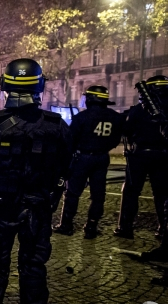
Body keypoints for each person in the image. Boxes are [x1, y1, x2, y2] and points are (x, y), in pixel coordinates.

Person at [0, 58, 72, 304]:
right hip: (38, 208)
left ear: (5, 87)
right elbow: (68, 166)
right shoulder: (56, 125)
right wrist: (54, 194)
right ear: (40, 86)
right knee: (33, 264)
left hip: (1, 210)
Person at [53, 86, 124, 239]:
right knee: (98, 195)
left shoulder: (81, 117)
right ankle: (92, 225)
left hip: (82, 158)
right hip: (102, 158)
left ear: (90, 99)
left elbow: (70, 140)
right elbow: (116, 140)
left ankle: (66, 224)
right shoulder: (115, 117)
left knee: (72, 193)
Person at [115, 75, 168, 239]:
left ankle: (125, 227)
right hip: (163, 155)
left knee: (131, 191)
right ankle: (163, 229)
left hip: (139, 155)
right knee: (162, 194)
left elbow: (126, 130)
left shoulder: (139, 110)